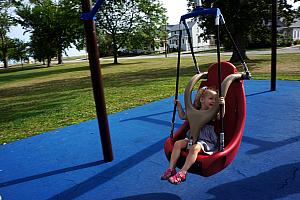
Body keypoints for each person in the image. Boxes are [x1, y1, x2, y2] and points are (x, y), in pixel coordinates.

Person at [161, 86, 225, 184]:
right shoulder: (194, 111)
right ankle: (171, 169)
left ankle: (182, 173)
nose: (214, 101)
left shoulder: (212, 112)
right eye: (211, 98)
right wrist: (178, 106)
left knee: (194, 148)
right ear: (202, 99)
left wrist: (222, 105)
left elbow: (221, 116)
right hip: (192, 136)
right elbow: (183, 116)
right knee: (178, 143)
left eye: (216, 99)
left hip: (206, 140)